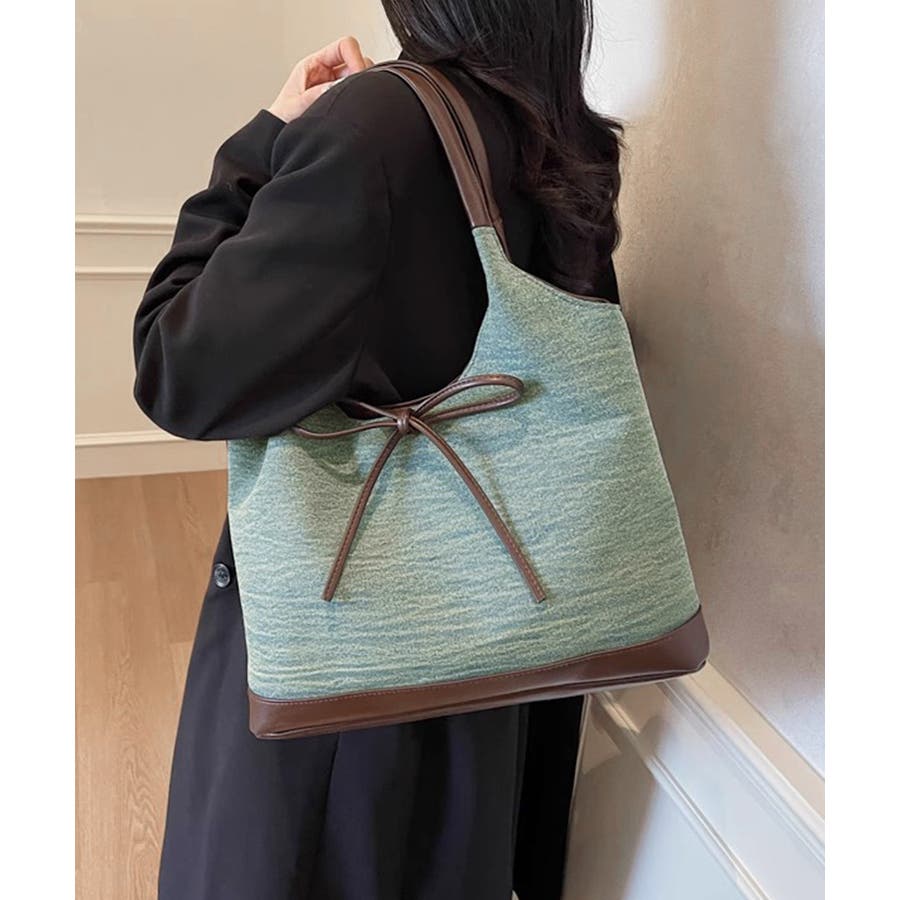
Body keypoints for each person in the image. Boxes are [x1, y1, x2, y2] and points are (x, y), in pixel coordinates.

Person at [133, 2, 622, 897]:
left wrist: (263, 140)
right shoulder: (556, 130)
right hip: (500, 637)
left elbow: (176, 369)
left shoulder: (377, 125)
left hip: (347, 659)